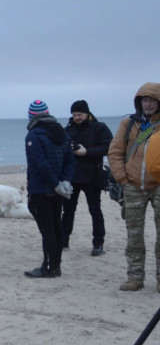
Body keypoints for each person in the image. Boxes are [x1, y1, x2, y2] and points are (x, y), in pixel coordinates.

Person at [108, 83, 160, 292]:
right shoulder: (128, 124)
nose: (147, 104)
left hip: (158, 185)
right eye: (143, 100)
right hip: (132, 187)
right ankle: (135, 276)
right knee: (134, 235)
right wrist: (123, 179)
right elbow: (115, 152)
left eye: (152, 100)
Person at [23, 100, 75, 278]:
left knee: (48, 229)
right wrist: (64, 182)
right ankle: (55, 266)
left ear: (32, 116)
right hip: (58, 189)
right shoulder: (61, 132)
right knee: (56, 226)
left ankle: (49, 267)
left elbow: (40, 163)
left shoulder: (34, 135)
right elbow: (70, 159)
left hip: (42, 188)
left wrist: (56, 183)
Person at [61, 100, 113, 256]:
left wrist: (87, 152)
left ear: (87, 113)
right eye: (74, 115)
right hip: (71, 177)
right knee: (68, 211)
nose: (77, 117)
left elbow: (110, 146)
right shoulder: (67, 130)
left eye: (79, 114)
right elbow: (59, 149)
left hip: (92, 176)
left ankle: (98, 244)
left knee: (95, 211)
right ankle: (63, 241)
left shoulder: (100, 128)